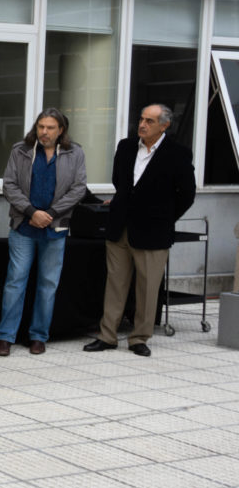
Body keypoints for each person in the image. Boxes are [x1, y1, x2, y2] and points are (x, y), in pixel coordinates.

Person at [84, 104, 196, 357]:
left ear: (164, 125)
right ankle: (107, 335)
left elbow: (187, 194)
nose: (142, 124)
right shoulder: (125, 147)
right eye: (141, 119)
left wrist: (165, 218)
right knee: (115, 284)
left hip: (154, 232)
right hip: (120, 227)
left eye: (150, 121)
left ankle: (138, 338)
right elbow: (119, 182)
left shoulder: (178, 153)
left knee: (147, 288)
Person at [0, 108, 87, 356]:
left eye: (50, 128)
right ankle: (5, 337)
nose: (44, 132)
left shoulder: (74, 152)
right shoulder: (21, 150)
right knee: (15, 282)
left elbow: (79, 189)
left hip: (55, 228)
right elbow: (9, 185)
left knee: (48, 285)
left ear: (61, 131)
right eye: (41, 127)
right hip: (24, 226)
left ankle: (39, 336)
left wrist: (52, 213)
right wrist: (31, 211)